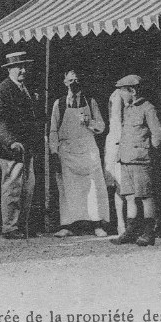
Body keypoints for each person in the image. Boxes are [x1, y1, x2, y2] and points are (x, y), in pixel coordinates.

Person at [48, 70, 109, 237]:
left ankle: (97, 224)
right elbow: (53, 130)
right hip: (67, 152)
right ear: (65, 82)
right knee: (68, 189)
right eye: (70, 80)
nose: (73, 83)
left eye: (76, 80)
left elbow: (102, 126)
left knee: (93, 187)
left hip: (88, 150)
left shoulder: (90, 102)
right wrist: (54, 151)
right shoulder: (59, 104)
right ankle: (68, 225)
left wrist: (90, 123)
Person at [0, 51, 42, 240]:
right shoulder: (3, 89)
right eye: (19, 67)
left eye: (25, 66)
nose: (23, 70)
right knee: (12, 188)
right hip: (11, 149)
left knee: (27, 187)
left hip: (27, 147)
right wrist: (11, 141)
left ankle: (22, 225)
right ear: (10, 69)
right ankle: (10, 227)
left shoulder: (25, 88)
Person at [110, 75, 161, 247]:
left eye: (122, 92)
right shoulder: (128, 109)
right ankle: (131, 232)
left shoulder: (148, 108)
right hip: (125, 159)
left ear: (132, 91)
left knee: (146, 196)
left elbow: (158, 135)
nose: (121, 96)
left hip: (141, 160)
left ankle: (149, 233)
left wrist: (147, 151)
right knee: (130, 197)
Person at [104, 88, 128, 235]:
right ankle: (120, 223)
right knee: (118, 185)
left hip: (121, 140)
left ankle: (125, 223)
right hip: (115, 141)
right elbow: (115, 119)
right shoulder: (117, 94)